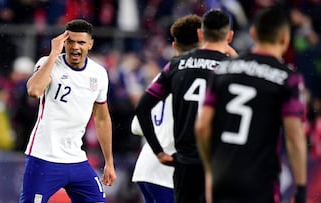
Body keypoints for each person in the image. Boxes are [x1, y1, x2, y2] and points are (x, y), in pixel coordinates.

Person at [195, 5, 307, 203]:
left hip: (223, 176)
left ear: (253, 33)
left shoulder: (223, 69)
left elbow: (202, 126)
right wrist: (300, 186)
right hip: (260, 180)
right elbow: (294, 135)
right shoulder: (288, 78)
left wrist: (211, 169)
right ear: (284, 38)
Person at [135, 9, 236, 203]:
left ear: (201, 33)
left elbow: (141, 109)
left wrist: (158, 151)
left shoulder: (176, 65)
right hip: (216, 162)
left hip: (183, 164)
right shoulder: (231, 67)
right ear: (229, 36)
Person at [19, 19, 117, 203]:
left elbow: (102, 118)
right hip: (43, 157)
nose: (75, 47)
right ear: (64, 42)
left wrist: (109, 162)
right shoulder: (48, 63)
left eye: (81, 42)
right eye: (70, 41)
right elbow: (34, 91)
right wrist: (54, 52)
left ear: (90, 44)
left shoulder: (99, 74)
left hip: (76, 159)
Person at [131, 14, 202, 203]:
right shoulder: (198, 78)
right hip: (169, 171)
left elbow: (136, 126)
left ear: (174, 46)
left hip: (147, 167)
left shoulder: (163, 77)